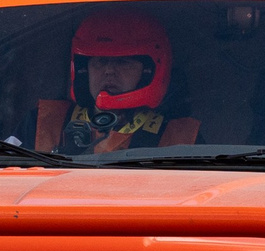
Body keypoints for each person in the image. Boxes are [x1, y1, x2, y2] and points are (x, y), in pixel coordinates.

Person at [37, 13, 199, 155]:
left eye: (122, 62)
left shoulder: (182, 139)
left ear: (147, 72)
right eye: (100, 62)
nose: (109, 71)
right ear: (83, 71)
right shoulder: (44, 123)